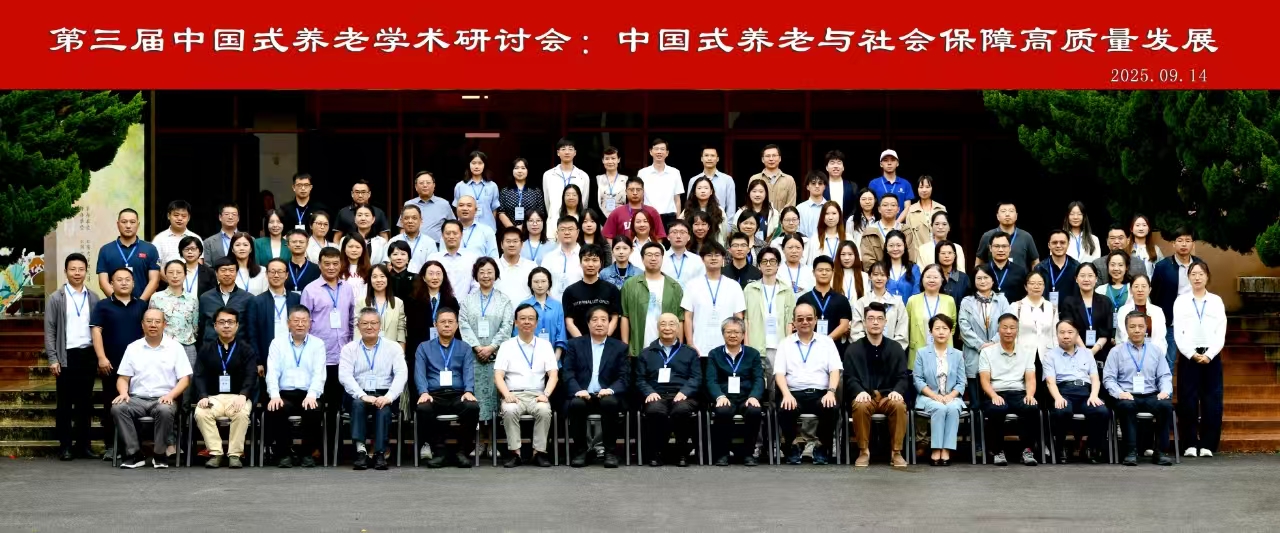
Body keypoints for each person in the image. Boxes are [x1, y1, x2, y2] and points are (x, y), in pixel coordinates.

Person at [109, 309, 191, 469]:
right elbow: (123, 378)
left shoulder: (175, 347)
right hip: (136, 398)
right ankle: (134, 453)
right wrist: (123, 393)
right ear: (142, 324)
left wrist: (171, 395)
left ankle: (159, 454)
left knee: (165, 410)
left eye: (157, 321)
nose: (153, 325)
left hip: (163, 398)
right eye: (149, 321)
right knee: (118, 408)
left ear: (164, 324)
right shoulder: (133, 348)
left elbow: (185, 379)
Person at [45, 253, 101, 460]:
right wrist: (53, 359)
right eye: (73, 269)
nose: (77, 273)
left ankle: (83, 445)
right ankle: (66, 446)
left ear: (86, 271)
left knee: (85, 404)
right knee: (65, 404)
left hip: (87, 354)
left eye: (81, 269)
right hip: (66, 355)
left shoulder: (93, 297)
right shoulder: (56, 298)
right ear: (65, 271)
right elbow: (50, 330)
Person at [338, 308, 408, 470]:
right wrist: (362, 395)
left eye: (373, 323)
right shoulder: (349, 349)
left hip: (385, 392)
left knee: (383, 409)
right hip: (357, 393)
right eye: (365, 323)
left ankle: (380, 452)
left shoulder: (393, 347)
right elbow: (345, 376)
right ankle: (360, 451)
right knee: (358, 404)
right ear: (358, 326)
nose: (369, 327)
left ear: (380, 325)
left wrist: (389, 397)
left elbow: (401, 374)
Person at [90, 267, 148, 460]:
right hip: (111, 364)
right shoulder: (103, 305)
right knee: (111, 404)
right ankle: (110, 446)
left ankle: (134, 446)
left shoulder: (142, 305)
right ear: (111, 283)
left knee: (136, 404)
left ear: (133, 283)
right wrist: (101, 357)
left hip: (138, 366)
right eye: (119, 279)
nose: (124, 283)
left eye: (127, 279)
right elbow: (96, 331)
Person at [1104, 311, 1175, 466]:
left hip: (1151, 394)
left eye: (1140, 326)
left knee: (1166, 406)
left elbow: (1164, 375)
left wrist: (1165, 391)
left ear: (1146, 328)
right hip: (1127, 395)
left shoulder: (1155, 351)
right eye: (1132, 326)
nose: (1137, 330)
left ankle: (1160, 452)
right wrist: (1119, 393)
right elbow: (1109, 379)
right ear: (1126, 329)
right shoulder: (1116, 351)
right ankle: (1130, 452)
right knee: (1127, 407)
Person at [844, 302, 910, 468]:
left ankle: (896, 452)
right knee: (860, 405)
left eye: (880, 319)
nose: (875, 322)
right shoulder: (853, 349)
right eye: (871, 318)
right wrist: (858, 391)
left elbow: (903, 376)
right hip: (866, 396)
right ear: (864, 322)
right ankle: (863, 451)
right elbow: (849, 377)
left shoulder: (895, 348)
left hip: (888, 397)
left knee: (899, 405)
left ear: (885, 322)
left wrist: (897, 391)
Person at [774, 302, 842, 465]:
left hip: (820, 393)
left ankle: (822, 447)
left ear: (816, 320)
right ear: (794, 322)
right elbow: (779, 373)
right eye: (800, 319)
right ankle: (792, 446)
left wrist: (831, 392)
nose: (805, 322)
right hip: (793, 393)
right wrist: (786, 394)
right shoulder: (785, 343)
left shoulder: (827, 342)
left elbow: (835, 370)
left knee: (831, 406)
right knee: (786, 407)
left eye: (809, 318)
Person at [562, 305, 630, 468]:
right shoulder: (575, 344)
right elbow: (567, 373)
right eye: (595, 320)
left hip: (607, 394)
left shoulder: (619, 347)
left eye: (603, 320)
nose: (599, 323)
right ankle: (581, 451)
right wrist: (578, 390)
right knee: (576, 404)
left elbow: (624, 377)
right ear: (588, 323)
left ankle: (610, 452)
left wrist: (610, 389)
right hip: (583, 394)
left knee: (609, 402)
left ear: (609, 323)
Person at [493, 303, 559, 468]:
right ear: (516, 322)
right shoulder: (507, 346)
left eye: (531, 318)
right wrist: (507, 394)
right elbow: (498, 376)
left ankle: (539, 453)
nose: (527, 322)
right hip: (514, 395)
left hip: (537, 395)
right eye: (522, 318)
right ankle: (515, 453)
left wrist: (546, 394)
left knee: (544, 410)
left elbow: (553, 375)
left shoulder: (545, 345)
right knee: (509, 410)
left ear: (536, 323)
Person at [459, 257, 515, 449]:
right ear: (476, 275)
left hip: (496, 357)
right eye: (481, 272)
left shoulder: (504, 300)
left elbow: (507, 326)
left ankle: (492, 442)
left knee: (494, 398)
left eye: (490, 271)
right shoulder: (467, 301)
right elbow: (463, 324)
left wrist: (492, 347)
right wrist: (477, 347)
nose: (486, 275)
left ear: (496, 274)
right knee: (477, 400)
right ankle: (479, 442)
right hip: (474, 357)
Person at [414, 306, 479, 468]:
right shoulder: (424, 347)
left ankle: (462, 451)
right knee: (423, 408)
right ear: (435, 324)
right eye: (443, 322)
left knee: (472, 407)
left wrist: (468, 390)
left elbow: (468, 371)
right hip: (434, 395)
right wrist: (423, 392)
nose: (447, 325)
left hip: (458, 394)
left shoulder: (464, 347)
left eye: (451, 322)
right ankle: (439, 451)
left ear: (457, 325)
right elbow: (419, 372)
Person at [191, 307, 256, 468]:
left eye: (230, 322)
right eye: (222, 322)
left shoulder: (246, 349)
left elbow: (251, 375)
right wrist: (203, 396)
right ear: (215, 326)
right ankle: (215, 453)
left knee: (241, 414)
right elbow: (199, 375)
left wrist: (243, 395)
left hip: (238, 396)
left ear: (237, 325)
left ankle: (235, 454)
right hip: (213, 398)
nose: (226, 325)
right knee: (201, 412)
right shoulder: (206, 349)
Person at [1174, 261, 1226, 458]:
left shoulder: (1216, 301)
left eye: (1201, 274)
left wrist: (1210, 354)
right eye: (1193, 274)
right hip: (1189, 356)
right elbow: (1178, 332)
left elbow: (1221, 330)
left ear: (1207, 276)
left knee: (1212, 400)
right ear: (1188, 277)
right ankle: (1189, 443)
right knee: (1187, 400)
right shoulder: (1181, 301)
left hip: (1211, 356)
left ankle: (1208, 444)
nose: (1197, 277)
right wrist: (1190, 353)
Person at [299, 247, 357, 423]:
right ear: (319, 264)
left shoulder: (347, 288)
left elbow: (351, 319)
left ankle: (335, 440)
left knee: (337, 405)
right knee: (317, 402)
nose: (331, 267)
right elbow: (304, 323)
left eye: (335, 263)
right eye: (327, 263)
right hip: (320, 355)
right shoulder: (310, 290)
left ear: (341, 264)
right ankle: (318, 440)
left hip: (343, 355)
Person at [264, 306, 327, 468]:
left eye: (304, 321)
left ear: (310, 323)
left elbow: (319, 373)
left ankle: (307, 453)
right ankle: (283, 453)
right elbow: (272, 372)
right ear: (288, 323)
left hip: (308, 393)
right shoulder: (277, 343)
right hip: (284, 393)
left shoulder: (318, 344)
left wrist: (312, 395)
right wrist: (274, 395)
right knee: (276, 407)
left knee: (313, 409)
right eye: (296, 321)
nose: (300, 324)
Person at [637, 312, 702, 467]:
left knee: (681, 410)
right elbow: (640, 379)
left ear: (678, 328)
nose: (667, 328)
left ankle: (681, 452)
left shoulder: (689, 352)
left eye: (672, 324)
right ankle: (657, 452)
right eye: (663, 324)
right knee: (655, 411)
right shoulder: (646, 353)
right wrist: (650, 392)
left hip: (682, 395)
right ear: (658, 327)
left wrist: (685, 392)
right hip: (656, 394)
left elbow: (696, 377)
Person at [1043, 319, 1109, 464]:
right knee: (1062, 411)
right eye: (1062, 332)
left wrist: (1094, 395)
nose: (1066, 336)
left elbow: (1095, 379)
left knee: (1101, 411)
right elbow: (1050, 381)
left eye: (1070, 332)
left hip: (1085, 393)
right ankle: (1060, 447)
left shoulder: (1087, 354)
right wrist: (1058, 397)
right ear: (1056, 335)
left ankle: (1092, 447)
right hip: (1063, 392)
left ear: (1077, 334)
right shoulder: (1050, 355)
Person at [978, 313, 1040, 466]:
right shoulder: (987, 352)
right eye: (1004, 327)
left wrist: (1030, 394)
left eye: (1012, 328)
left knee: (1031, 407)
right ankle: (997, 451)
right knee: (997, 409)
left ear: (1017, 330)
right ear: (998, 329)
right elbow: (984, 380)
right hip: (996, 392)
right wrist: (993, 395)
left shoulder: (1026, 352)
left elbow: (1030, 379)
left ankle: (1027, 450)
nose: (1008, 331)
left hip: (1019, 393)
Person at [704, 317, 764, 466]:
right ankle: (722, 453)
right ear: (723, 334)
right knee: (722, 411)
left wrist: (754, 396)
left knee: (754, 411)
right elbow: (711, 380)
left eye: (736, 332)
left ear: (743, 335)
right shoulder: (714, 354)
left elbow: (758, 379)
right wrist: (719, 396)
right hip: (725, 397)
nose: (732, 335)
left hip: (746, 397)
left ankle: (748, 453)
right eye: (729, 332)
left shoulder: (753, 354)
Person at [913, 314, 966, 466]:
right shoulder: (922, 353)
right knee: (939, 408)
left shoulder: (958, 355)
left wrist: (951, 395)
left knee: (953, 408)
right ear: (931, 331)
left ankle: (946, 449)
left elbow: (961, 381)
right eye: (937, 328)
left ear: (950, 332)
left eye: (945, 328)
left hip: (951, 396)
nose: (941, 332)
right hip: (929, 397)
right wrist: (934, 396)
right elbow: (918, 380)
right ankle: (936, 449)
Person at [1151, 226, 1202, 374]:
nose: (1184, 244)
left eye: (1188, 240)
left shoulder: (1199, 265)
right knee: (1168, 361)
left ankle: (1190, 390)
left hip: (1193, 322)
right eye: (1180, 240)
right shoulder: (1162, 267)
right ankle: (1166, 389)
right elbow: (1155, 295)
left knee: (1193, 362)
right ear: (1173, 244)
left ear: (1193, 244)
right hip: (1170, 322)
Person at [681, 241, 746, 357]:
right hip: (699, 349)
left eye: (717, 255)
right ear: (702, 259)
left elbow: (738, 317)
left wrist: (738, 344)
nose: (713, 258)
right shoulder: (692, 285)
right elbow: (688, 317)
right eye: (709, 255)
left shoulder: (734, 286)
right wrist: (690, 343)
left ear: (723, 259)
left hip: (728, 349)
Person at [620, 242, 685, 356]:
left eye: (657, 255)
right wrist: (625, 347)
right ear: (642, 258)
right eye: (649, 255)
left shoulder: (674, 287)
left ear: (662, 258)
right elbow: (625, 316)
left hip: (667, 349)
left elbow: (679, 319)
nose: (653, 258)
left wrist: (678, 349)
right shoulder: (630, 285)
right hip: (638, 348)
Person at [246, 259, 301, 379]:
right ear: (266, 274)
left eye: (280, 272)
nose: (276, 275)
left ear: (286, 275)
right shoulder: (256, 301)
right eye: (272, 271)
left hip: (293, 353)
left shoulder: (296, 299)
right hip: (267, 354)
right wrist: (258, 361)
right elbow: (252, 334)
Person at [743, 247, 797, 366]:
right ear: (759, 265)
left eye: (772, 261)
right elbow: (746, 320)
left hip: (779, 347)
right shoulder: (749, 289)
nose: (768, 264)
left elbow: (790, 322)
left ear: (778, 265)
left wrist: (787, 348)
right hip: (756, 347)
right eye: (764, 261)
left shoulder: (787, 290)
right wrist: (747, 347)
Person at [96, 208, 161, 300]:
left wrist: (140, 303)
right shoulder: (105, 250)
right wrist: (117, 302)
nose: (128, 226)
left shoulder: (150, 249)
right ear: (118, 224)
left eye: (132, 222)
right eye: (124, 222)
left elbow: (154, 281)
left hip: (143, 305)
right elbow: (103, 282)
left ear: (138, 224)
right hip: (114, 305)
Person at [562, 244, 622, 339]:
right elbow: (569, 322)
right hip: (579, 343)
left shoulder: (612, 289)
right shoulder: (570, 291)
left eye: (594, 260)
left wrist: (602, 339)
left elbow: (614, 319)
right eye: (586, 260)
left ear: (601, 263)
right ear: (580, 263)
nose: (590, 264)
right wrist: (584, 343)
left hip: (606, 342)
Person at [1060, 263, 1115, 365]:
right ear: (1076, 279)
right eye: (1082, 276)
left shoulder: (1105, 302)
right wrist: (1085, 351)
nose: (1086, 279)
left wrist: (1093, 351)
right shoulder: (1069, 302)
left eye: (1090, 276)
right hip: (1075, 353)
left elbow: (1107, 331)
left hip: (1101, 352)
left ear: (1096, 279)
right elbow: (1070, 329)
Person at [149, 260, 200, 368]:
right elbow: (151, 323)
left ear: (185, 275)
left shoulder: (192, 299)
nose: (175, 276)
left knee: (188, 377)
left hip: (187, 347)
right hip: (163, 346)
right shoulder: (156, 297)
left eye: (179, 272)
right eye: (171, 272)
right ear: (165, 275)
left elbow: (195, 326)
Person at [797, 256, 852, 350]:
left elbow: (844, 326)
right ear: (813, 272)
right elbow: (799, 324)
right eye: (820, 270)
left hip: (834, 349)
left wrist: (826, 341)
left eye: (827, 270)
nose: (824, 273)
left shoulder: (842, 299)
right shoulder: (804, 299)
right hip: (808, 347)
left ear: (833, 272)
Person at [906, 264, 958, 366]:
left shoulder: (949, 301)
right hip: (918, 350)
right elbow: (906, 327)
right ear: (922, 279)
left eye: (935, 277)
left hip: (943, 351)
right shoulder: (912, 300)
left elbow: (953, 326)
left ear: (942, 280)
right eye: (928, 277)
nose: (932, 280)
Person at [850, 261, 909, 350]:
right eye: (875, 274)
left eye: (882, 275)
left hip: (891, 353)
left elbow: (902, 332)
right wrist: (870, 350)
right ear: (870, 276)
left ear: (887, 278)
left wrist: (892, 351)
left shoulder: (897, 302)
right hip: (866, 352)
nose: (879, 278)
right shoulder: (861, 303)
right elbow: (856, 333)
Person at [198, 257, 252, 346]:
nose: (227, 274)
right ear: (216, 273)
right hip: (211, 348)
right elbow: (202, 326)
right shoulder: (205, 298)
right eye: (223, 270)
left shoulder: (248, 298)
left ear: (236, 273)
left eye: (231, 270)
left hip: (238, 348)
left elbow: (251, 329)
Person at [976, 202, 1039, 272]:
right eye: (1003, 211)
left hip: (1020, 278)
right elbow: (979, 262)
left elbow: (1035, 262)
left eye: (1011, 211)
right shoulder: (987, 236)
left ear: (1016, 216)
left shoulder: (1026, 237)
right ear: (997, 216)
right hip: (993, 278)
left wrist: (1034, 277)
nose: (1007, 214)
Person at [1012, 271, 1060, 363]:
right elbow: (1013, 334)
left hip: (1047, 356)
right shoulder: (1016, 307)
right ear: (1025, 286)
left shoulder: (1052, 307)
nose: (1036, 286)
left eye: (1040, 283)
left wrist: (1056, 355)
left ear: (1044, 286)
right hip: (1023, 355)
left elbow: (1055, 335)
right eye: (1032, 283)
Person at [543, 139, 593, 226]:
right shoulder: (548, 175)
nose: (567, 152)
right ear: (558, 153)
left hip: (576, 223)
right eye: (563, 149)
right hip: (554, 222)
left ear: (575, 153)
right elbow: (547, 202)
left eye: (570, 149)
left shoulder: (583, 176)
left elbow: (584, 202)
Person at [601, 177, 668, 242]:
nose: (635, 193)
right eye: (631, 190)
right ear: (626, 192)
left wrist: (653, 249)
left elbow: (659, 236)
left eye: (638, 190)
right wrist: (617, 248)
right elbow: (608, 236)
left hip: (648, 249)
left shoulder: (652, 212)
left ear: (643, 192)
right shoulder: (617, 212)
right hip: (624, 249)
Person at [637, 138, 684, 230]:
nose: (659, 152)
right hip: (648, 215)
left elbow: (677, 199)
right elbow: (640, 198)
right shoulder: (642, 173)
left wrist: (678, 220)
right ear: (651, 152)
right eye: (656, 149)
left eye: (662, 149)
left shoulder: (675, 172)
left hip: (670, 217)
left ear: (667, 153)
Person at [522, 268, 568, 358]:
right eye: (536, 282)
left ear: (549, 283)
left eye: (543, 281)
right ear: (530, 284)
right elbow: (519, 333)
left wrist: (555, 358)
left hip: (553, 356)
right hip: (528, 357)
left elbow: (561, 333)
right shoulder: (524, 305)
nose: (540, 285)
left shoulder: (557, 306)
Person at [428, 220, 481, 298]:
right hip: (441, 304)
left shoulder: (472, 258)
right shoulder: (433, 258)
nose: (451, 237)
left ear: (461, 235)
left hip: (467, 303)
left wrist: (468, 302)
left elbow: (476, 285)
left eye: (455, 233)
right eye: (448, 233)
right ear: (442, 235)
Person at [1118, 274, 1167, 356]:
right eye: (1136, 286)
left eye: (1144, 286)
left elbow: (1160, 339)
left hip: (1153, 356)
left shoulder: (1157, 311)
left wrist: (1154, 356)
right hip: (1129, 356)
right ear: (1130, 290)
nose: (1140, 290)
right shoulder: (1123, 311)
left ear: (1150, 290)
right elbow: (1123, 337)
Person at [859, 194, 914, 268]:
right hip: (878, 274)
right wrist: (881, 273)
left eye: (893, 205)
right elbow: (868, 260)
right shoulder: (870, 231)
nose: (889, 208)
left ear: (898, 209)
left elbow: (911, 257)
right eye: (885, 205)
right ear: (879, 209)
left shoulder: (906, 231)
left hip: (902, 273)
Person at [538, 216, 584, 301]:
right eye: (562, 229)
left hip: (579, 305)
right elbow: (542, 282)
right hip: (552, 305)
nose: (566, 232)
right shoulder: (549, 257)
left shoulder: (586, 257)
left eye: (570, 229)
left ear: (577, 232)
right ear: (557, 233)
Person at [399, 171, 456, 241]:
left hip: (437, 245)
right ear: (416, 187)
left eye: (428, 183)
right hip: (412, 244)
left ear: (434, 185)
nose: (425, 185)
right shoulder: (409, 204)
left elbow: (453, 226)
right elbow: (402, 228)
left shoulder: (444, 204)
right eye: (421, 183)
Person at [453, 151, 502, 230]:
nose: (476, 166)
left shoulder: (492, 186)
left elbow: (494, 210)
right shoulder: (460, 186)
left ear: (484, 165)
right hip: (466, 229)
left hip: (487, 229)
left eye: (480, 163)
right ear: (469, 164)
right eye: (473, 163)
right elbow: (457, 209)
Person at [388, 206, 440, 277]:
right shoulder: (393, 241)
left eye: (414, 218)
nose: (410, 221)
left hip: (422, 281)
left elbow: (432, 266)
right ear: (401, 221)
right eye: (406, 218)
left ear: (421, 220)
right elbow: (388, 265)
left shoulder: (429, 242)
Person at [364, 265, 407, 351]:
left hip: (392, 351)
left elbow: (401, 332)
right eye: (374, 277)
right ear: (370, 280)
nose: (379, 280)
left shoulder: (398, 303)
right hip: (368, 350)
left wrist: (401, 354)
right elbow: (358, 331)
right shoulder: (362, 303)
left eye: (382, 276)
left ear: (388, 279)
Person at [1034, 229, 1080, 307]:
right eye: (1054, 242)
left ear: (1068, 244)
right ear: (1049, 245)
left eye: (1062, 242)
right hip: (1046, 311)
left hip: (1070, 312)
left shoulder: (1077, 267)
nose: (1058, 245)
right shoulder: (1040, 268)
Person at [499, 158, 546, 230]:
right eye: (516, 168)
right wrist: (514, 230)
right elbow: (501, 212)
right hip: (510, 231)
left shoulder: (536, 191)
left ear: (528, 170)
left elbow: (541, 212)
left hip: (531, 230)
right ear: (512, 170)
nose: (520, 171)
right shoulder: (505, 191)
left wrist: (524, 227)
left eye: (523, 168)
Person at [688, 146, 736, 214]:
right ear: (701, 159)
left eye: (712, 156)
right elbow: (689, 204)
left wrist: (727, 221)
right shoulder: (693, 180)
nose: (709, 158)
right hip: (697, 219)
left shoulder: (727, 180)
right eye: (706, 155)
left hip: (720, 218)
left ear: (717, 159)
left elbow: (731, 207)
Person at [495, 226, 537, 304]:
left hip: (525, 311)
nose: (512, 244)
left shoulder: (531, 266)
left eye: (515, 241)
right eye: (508, 241)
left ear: (521, 244)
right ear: (501, 245)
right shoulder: (493, 266)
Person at [867, 150, 913, 219]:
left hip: (900, 224)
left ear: (897, 163)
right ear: (881, 164)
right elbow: (870, 205)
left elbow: (907, 207)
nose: (889, 163)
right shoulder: (873, 183)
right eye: (885, 160)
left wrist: (897, 223)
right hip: (878, 223)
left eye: (893, 160)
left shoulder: (905, 183)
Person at [903, 175, 945, 253]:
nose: (924, 190)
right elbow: (909, 237)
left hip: (939, 252)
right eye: (921, 187)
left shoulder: (941, 208)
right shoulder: (911, 210)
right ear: (917, 189)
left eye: (927, 187)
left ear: (932, 188)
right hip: (919, 254)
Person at [984, 231, 1029, 303]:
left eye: (1004, 246)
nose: (1000, 250)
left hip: (1012, 309)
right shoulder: (983, 271)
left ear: (1010, 248)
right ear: (990, 248)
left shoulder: (1020, 271)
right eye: (996, 246)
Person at [661, 220, 706, 286]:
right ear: (668, 237)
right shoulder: (661, 258)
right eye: (674, 232)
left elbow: (703, 282)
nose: (678, 236)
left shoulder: (696, 260)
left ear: (689, 237)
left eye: (682, 232)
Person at [751, 144, 796, 210]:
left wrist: (778, 215)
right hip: (760, 216)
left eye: (774, 155)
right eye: (768, 156)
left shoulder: (789, 180)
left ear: (780, 158)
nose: (771, 159)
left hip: (782, 216)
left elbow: (791, 204)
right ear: (762, 159)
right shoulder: (754, 178)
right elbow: (750, 202)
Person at [454, 195, 499, 259]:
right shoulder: (448, 231)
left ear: (476, 210)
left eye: (469, 205)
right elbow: (442, 256)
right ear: (456, 209)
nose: (465, 208)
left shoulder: (487, 231)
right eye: (461, 205)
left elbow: (494, 258)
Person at [734, 179, 779, 243]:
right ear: (749, 193)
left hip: (767, 247)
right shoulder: (741, 212)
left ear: (766, 194)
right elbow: (735, 231)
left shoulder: (774, 213)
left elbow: (776, 234)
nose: (757, 194)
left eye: (761, 191)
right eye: (754, 191)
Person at [880, 230, 920, 301]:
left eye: (898, 245)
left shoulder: (914, 269)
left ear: (904, 246)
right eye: (891, 245)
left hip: (909, 307)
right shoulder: (880, 269)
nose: (895, 249)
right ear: (886, 247)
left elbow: (917, 294)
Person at [595, 148, 628, 218]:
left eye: (613, 158)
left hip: (622, 218)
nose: (610, 161)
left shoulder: (626, 180)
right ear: (603, 160)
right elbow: (594, 204)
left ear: (618, 160)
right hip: (602, 220)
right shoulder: (597, 180)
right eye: (607, 159)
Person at [821, 150, 856, 214]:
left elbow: (856, 207)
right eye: (832, 163)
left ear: (843, 167)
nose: (836, 166)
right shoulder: (821, 186)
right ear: (827, 168)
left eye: (839, 163)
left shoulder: (852, 186)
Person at [936, 240, 970, 307]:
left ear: (955, 255)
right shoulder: (932, 277)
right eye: (943, 253)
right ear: (937, 255)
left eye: (950, 253)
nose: (946, 256)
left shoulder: (963, 278)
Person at [795, 172, 828, 238]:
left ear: (824, 186)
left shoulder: (830, 208)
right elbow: (796, 230)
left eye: (820, 183)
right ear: (807, 187)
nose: (817, 186)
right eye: (813, 183)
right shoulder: (800, 208)